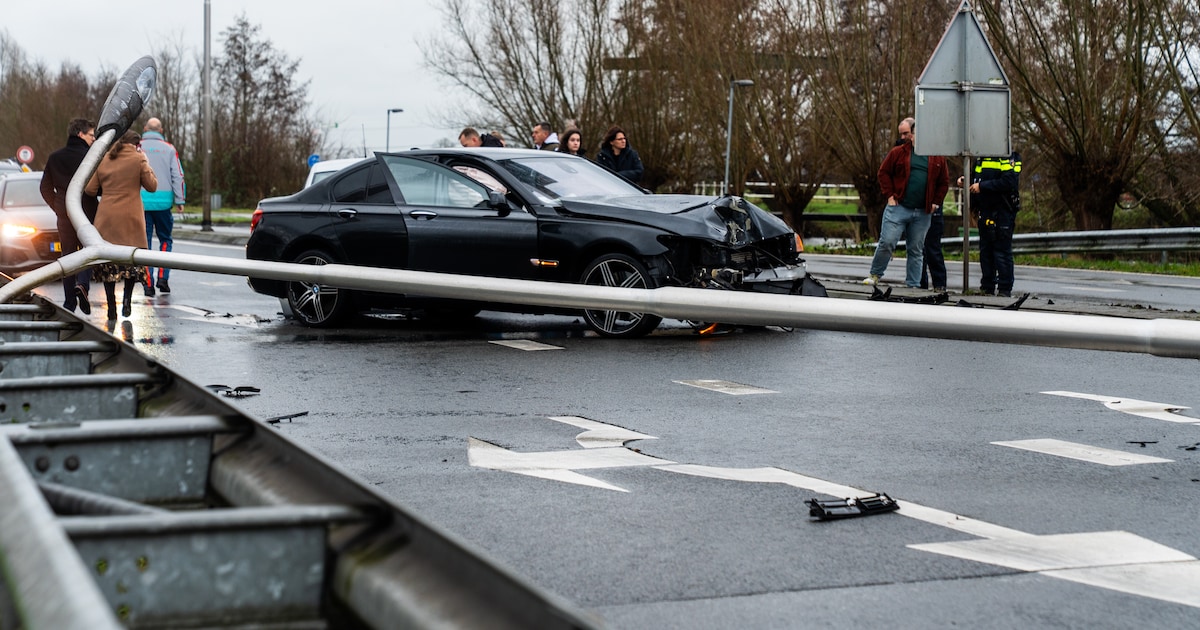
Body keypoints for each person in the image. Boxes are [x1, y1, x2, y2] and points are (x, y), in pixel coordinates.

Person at [864, 118, 949, 288]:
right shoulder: (898, 153)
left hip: (923, 211)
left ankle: (913, 284)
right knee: (887, 241)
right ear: (912, 136)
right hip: (899, 207)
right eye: (918, 134)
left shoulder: (937, 157)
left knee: (916, 249)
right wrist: (889, 195)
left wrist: (936, 202)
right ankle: (875, 274)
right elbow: (883, 173)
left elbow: (944, 182)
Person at [85, 131, 158, 320]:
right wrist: (146, 164)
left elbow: (90, 190)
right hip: (131, 219)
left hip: (107, 218)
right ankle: (126, 300)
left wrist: (109, 189)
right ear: (136, 144)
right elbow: (152, 186)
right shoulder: (138, 158)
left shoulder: (106, 158)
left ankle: (111, 306)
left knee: (108, 264)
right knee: (131, 263)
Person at [39, 117, 99, 314]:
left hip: (64, 214)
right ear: (80, 134)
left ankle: (69, 302)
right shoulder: (92, 156)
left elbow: (44, 187)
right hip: (88, 212)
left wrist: (58, 207)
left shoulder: (55, 157)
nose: (93, 139)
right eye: (91, 135)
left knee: (68, 255)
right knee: (89, 251)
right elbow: (98, 187)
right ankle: (83, 285)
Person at [960, 151, 1022, 296]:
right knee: (986, 251)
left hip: (1002, 211)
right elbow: (978, 179)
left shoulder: (1006, 156)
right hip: (985, 210)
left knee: (1001, 251)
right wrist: (967, 181)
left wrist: (982, 186)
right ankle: (987, 287)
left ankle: (1004, 289)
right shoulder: (981, 157)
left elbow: (1009, 181)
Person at [140, 118, 185, 296]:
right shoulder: (169, 148)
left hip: (141, 202)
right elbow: (178, 175)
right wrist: (180, 200)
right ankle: (163, 278)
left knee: (145, 244)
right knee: (165, 240)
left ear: (145, 129)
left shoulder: (137, 147)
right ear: (161, 130)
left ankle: (148, 284)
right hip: (164, 204)